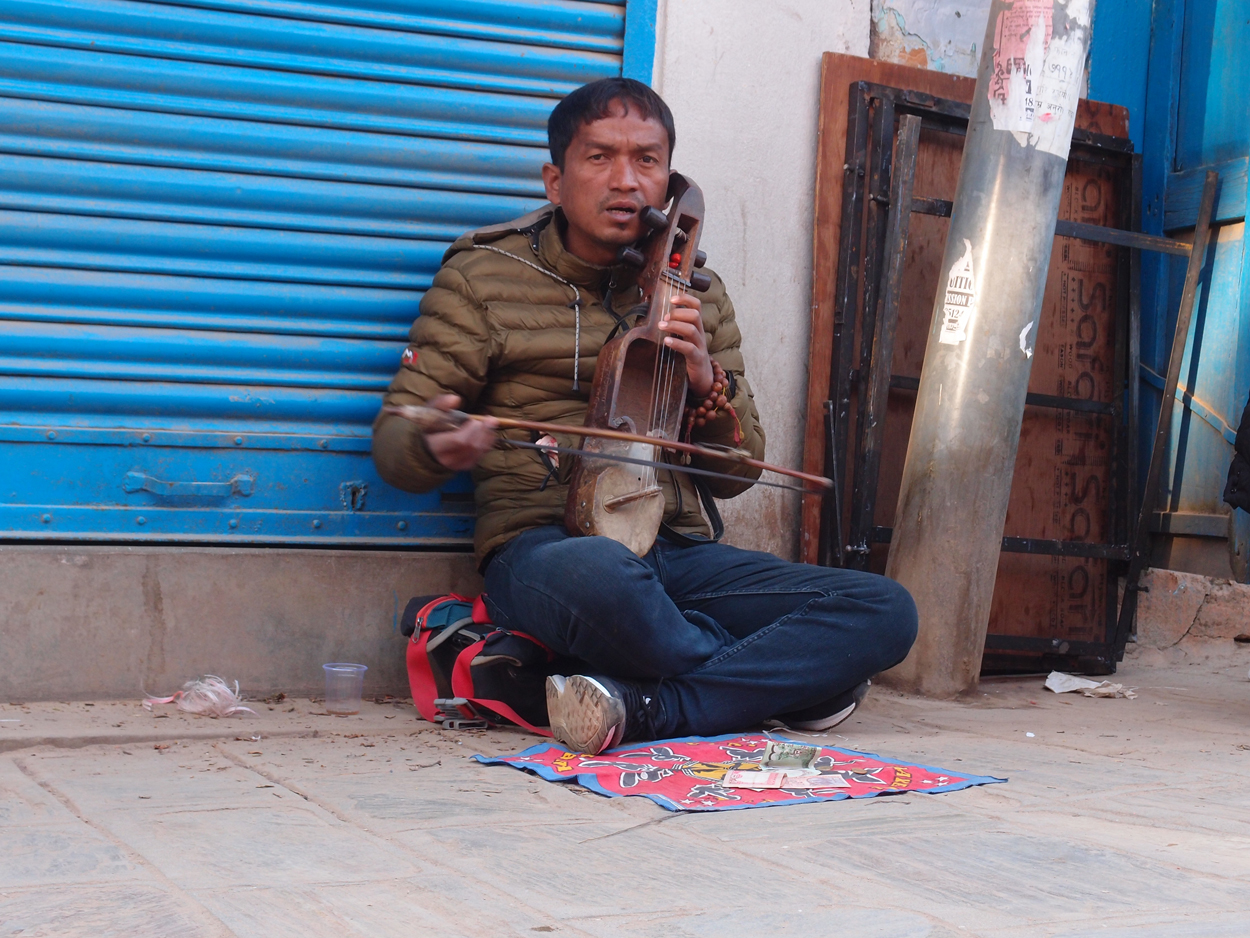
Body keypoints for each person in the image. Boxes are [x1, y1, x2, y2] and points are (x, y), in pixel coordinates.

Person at [373, 78, 917, 755]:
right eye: (599, 158)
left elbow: (735, 477)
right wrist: (434, 443)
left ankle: (650, 706)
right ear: (555, 179)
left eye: (647, 161)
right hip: (550, 549)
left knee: (884, 610)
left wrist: (703, 380)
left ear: (669, 177)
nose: (626, 181)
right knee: (606, 582)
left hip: (679, 548)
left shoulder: (696, 292)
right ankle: (790, 681)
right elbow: (396, 443)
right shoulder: (482, 276)